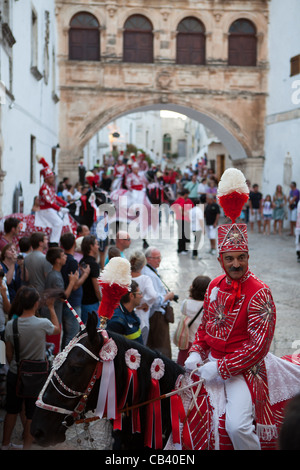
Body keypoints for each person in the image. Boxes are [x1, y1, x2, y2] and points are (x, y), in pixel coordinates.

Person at [185, 168, 277, 450]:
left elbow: (258, 345)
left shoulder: (260, 292)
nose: (236, 264)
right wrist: (195, 351)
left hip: (242, 371)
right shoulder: (213, 285)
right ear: (220, 260)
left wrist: (222, 367)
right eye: (230, 259)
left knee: (237, 426)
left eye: (241, 258)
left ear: (247, 257)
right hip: (209, 362)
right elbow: (205, 326)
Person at [2, 286, 60, 450]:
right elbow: (57, 329)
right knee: (31, 415)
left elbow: (8, 353)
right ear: (36, 304)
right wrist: (50, 307)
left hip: (16, 372)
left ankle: (5, 445)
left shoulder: (10, 325)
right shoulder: (43, 324)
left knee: (11, 411)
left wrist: (16, 365)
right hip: (37, 375)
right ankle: (26, 447)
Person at [42, 247, 79, 353]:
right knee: (53, 347)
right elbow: (64, 297)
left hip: (51, 314)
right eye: (63, 255)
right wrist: (72, 282)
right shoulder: (56, 277)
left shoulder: (53, 273)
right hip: (52, 317)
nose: (66, 256)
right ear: (57, 260)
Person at [142, 247, 175, 358]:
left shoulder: (149, 270)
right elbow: (155, 300)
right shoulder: (150, 275)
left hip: (154, 314)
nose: (159, 260)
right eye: (156, 258)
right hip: (157, 315)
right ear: (148, 259)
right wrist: (168, 296)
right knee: (162, 347)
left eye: (160, 257)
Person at [60, 233, 91, 349]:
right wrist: (85, 274)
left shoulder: (64, 259)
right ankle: (64, 360)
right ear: (74, 244)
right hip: (72, 302)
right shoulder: (72, 261)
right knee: (72, 335)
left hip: (68, 301)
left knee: (68, 334)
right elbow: (74, 285)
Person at [176, 275, 211, 366]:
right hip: (204, 343)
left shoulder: (186, 303)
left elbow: (183, 312)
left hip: (188, 341)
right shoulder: (210, 305)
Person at [35, 156, 69, 246]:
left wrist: (66, 204)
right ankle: (53, 242)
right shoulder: (44, 188)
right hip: (45, 210)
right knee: (58, 222)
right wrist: (59, 209)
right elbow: (49, 202)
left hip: (51, 209)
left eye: (52, 177)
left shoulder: (50, 187)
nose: (53, 179)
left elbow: (55, 197)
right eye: (50, 178)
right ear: (46, 179)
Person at [130, 251, 157, 344]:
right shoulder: (145, 279)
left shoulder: (125, 278)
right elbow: (153, 295)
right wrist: (145, 303)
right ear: (143, 265)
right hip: (141, 317)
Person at [80, 235, 101, 324]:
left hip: (82, 302)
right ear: (91, 247)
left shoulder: (82, 261)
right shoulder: (93, 264)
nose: (98, 246)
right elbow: (96, 288)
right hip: (91, 304)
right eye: (96, 244)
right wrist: (102, 300)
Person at [173, 188, 194, 254]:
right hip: (182, 219)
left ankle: (184, 248)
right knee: (183, 234)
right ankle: (182, 249)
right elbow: (180, 208)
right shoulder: (181, 200)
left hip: (182, 219)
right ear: (185, 194)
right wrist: (183, 213)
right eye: (187, 194)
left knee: (184, 234)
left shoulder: (185, 200)